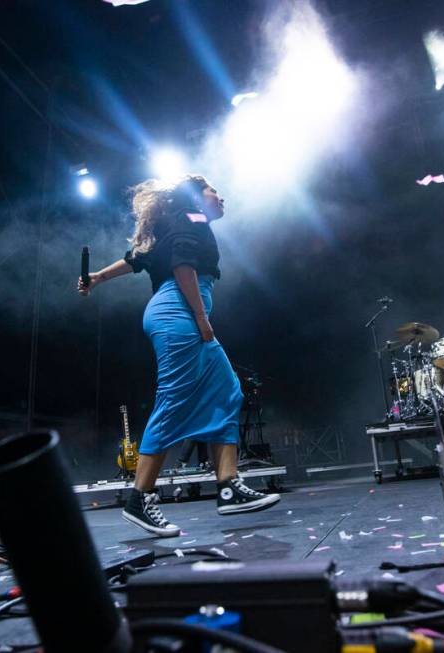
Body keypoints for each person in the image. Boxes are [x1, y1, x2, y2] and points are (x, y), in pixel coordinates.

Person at [79, 175, 280, 537]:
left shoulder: (176, 223)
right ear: (196, 198)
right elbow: (182, 267)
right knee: (173, 400)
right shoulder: (193, 219)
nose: (222, 197)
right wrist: (203, 319)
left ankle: (228, 486)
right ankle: (139, 498)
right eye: (214, 192)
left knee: (227, 391)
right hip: (179, 313)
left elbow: (136, 259)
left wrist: (97, 277)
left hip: (176, 310)